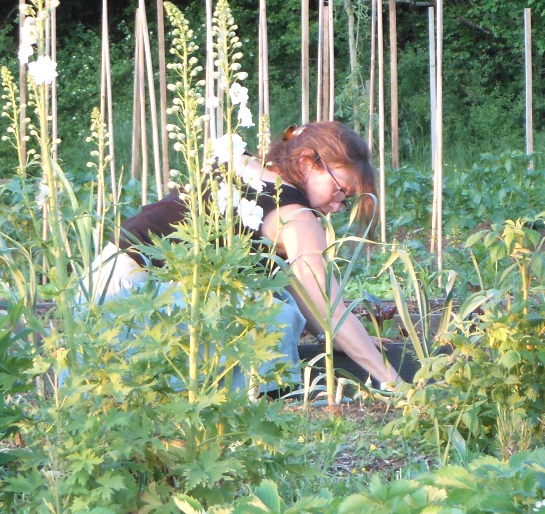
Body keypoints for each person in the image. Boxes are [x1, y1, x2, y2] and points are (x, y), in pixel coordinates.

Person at [84, 121, 402, 391]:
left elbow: (294, 281)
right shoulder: (298, 216)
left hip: (95, 294)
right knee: (274, 315)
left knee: (264, 294)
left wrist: (340, 338)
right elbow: (327, 306)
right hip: (143, 303)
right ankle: (263, 402)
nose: (337, 205)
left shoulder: (237, 160)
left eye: (346, 200)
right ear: (307, 161)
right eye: (340, 190)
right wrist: (393, 381)